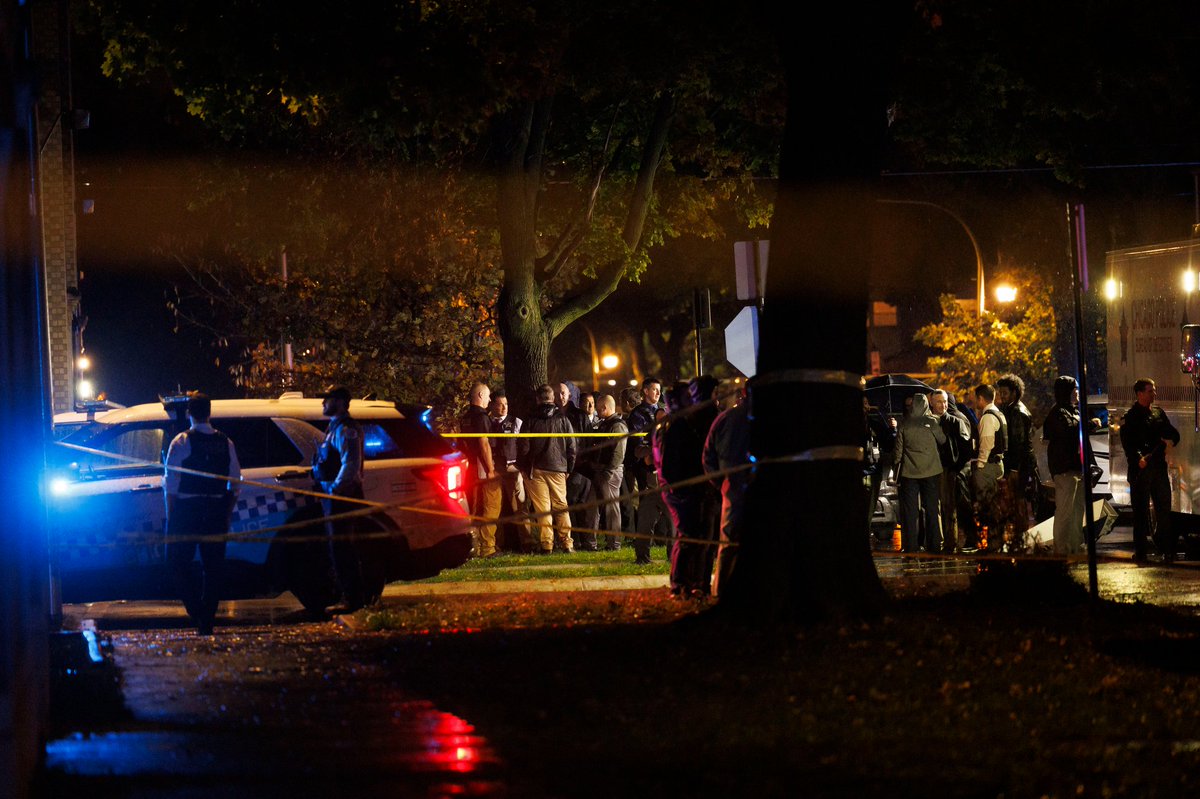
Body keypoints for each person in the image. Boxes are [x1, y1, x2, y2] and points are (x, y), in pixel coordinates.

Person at [164, 392, 242, 635]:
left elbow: (171, 484)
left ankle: (196, 611)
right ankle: (207, 618)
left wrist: (172, 516)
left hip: (186, 512)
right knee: (213, 567)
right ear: (209, 412)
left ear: (189, 413)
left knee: (177, 563)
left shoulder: (181, 441)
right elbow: (235, 482)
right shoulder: (225, 442)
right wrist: (226, 512)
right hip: (215, 510)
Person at [656, 376, 720, 598]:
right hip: (683, 490)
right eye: (687, 397)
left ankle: (698, 583)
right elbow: (669, 463)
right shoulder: (672, 425)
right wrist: (680, 489)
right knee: (688, 536)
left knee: (703, 538)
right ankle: (680, 584)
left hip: (698, 488)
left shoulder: (686, 423)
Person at [314, 385, 368, 612]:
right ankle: (348, 596)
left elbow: (351, 464)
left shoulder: (346, 429)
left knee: (344, 548)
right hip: (333, 496)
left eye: (327, 399)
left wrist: (334, 489)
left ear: (339, 401)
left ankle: (352, 600)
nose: (322, 404)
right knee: (337, 548)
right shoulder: (333, 428)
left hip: (343, 496)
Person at [1119, 378, 1181, 562]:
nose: (1154, 394)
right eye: (1150, 391)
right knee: (1140, 512)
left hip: (1158, 468)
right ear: (1139, 394)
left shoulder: (1158, 413)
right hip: (1141, 471)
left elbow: (1172, 433)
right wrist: (1138, 458)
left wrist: (1171, 441)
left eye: (1153, 390)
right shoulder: (1130, 417)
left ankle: (1167, 550)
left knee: (1163, 510)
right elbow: (1128, 443)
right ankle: (1141, 552)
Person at [703, 384, 751, 597]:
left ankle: (722, 591)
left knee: (729, 542)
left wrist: (721, 482)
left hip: (731, 485)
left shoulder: (725, 419)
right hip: (751, 486)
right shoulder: (771, 418)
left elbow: (708, 458)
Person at [519, 384, 578, 554]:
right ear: (553, 398)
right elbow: (571, 446)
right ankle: (567, 543)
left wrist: (523, 466)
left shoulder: (530, 419)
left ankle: (547, 544)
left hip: (536, 469)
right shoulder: (562, 419)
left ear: (537, 399)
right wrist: (569, 468)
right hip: (558, 467)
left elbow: (523, 446)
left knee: (542, 508)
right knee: (561, 505)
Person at [892, 393, 946, 554]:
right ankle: (934, 545)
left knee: (910, 512)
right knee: (931, 509)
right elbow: (942, 440)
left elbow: (898, 452)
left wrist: (897, 468)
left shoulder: (904, 424)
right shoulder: (932, 421)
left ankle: (910, 546)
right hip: (931, 471)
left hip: (909, 474)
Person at [1043, 376, 1088, 555]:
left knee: (1077, 510)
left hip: (1076, 467)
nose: (1077, 392)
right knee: (1065, 510)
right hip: (1064, 469)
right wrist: (1089, 424)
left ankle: (1076, 544)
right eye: (1074, 389)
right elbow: (1068, 431)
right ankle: (1061, 548)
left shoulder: (1072, 411)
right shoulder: (1058, 413)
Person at [557, 380, 598, 551]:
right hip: (561, 466)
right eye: (558, 393)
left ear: (569, 395)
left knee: (579, 504)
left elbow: (587, 441)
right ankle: (577, 540)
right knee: (568, 504)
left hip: (579, 466)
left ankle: (586, 541)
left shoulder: (579, 415)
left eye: (564, 393)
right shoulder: (554, 415)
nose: (561, 397)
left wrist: (583, 461)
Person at [929, 389, 972, 553]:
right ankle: (937, 541)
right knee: (935, 507)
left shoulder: (955, 422)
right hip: (931, 469)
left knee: (949, 508)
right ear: (932, 403)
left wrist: (955, 467)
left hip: (948, 470)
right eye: (939, 402)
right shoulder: (928, 422)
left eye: (945, 401)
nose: (943, 405)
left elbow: (966, 448)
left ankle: (950, 544)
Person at [461, 381, 500, 557]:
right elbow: (484, 444)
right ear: (480, 396)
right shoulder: (482, 417)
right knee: (491, 506)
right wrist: (491, 469)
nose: (490, 399)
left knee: (474, 507)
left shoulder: (465, 417)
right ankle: (487, 547)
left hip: (469, 467)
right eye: (488, 395)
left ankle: (472, 547)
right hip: (482, 467)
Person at [996, 373, 1040, 528]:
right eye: (1000, 393)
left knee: (1018, 498)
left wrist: (1014, 468)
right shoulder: (1012, 409)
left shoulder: (1017, 412)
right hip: (1020, 463)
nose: (1002, 396)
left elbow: (1018, 443)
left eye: (1005, 393)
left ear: (1014, 393)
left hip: (1019, 464)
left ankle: (1021, 535)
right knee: (1016, 498)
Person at [972, 383, 1008, 552]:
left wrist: (980, 464)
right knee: (996, 505)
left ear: (981, 398)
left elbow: (986, 442)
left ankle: (993, 544)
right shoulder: (999, 414)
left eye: (976, 399)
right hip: (998, 463)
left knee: (988, 506)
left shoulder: (987, 417)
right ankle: (997, 542)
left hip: (989, 465)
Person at [489, 390, 526, 554]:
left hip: (512, 468)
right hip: (493, 469)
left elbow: (523, 446)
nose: (504, 408)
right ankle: (497, 544)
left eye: (506, 404)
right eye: (500, 404)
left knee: (519, 505)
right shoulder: (488, 422)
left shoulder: (516, 422)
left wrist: (520, 467)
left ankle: (526, 543)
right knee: (495, 508)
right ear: (493, 405)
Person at [591, 394, 627, 551]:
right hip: (603, 469)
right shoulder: (607, 424)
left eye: (598, 408)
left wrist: (608, 470)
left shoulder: (617, 425)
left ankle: (614, 544)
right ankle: (601, 542)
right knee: (601, 507)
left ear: (604, 408)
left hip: (609, 471)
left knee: (611, 509)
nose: (597, 411)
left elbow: (619, 452)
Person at [864, 396, 896, 544]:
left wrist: (892, 429)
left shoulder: (874, 424)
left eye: (865, 403)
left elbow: (889, 444)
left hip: (873, 471)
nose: (864, 407)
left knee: (870, 507)